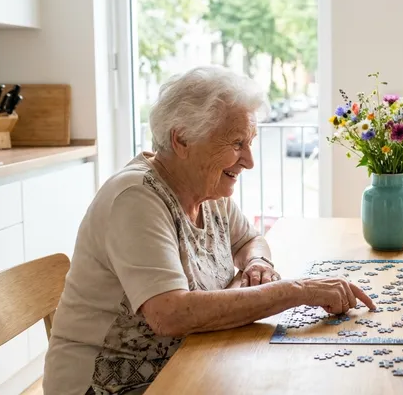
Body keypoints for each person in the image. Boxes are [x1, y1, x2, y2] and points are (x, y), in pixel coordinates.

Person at [44, 65, 375, 395]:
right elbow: (170, 315)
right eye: (236, 143)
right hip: (113, 386)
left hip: (190, 362)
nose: (249, 161)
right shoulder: (136, 198)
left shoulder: (206, 189)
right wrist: (299, 291)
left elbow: (249, 239)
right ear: (183, 139)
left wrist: (258, 263)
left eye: (250, 143)